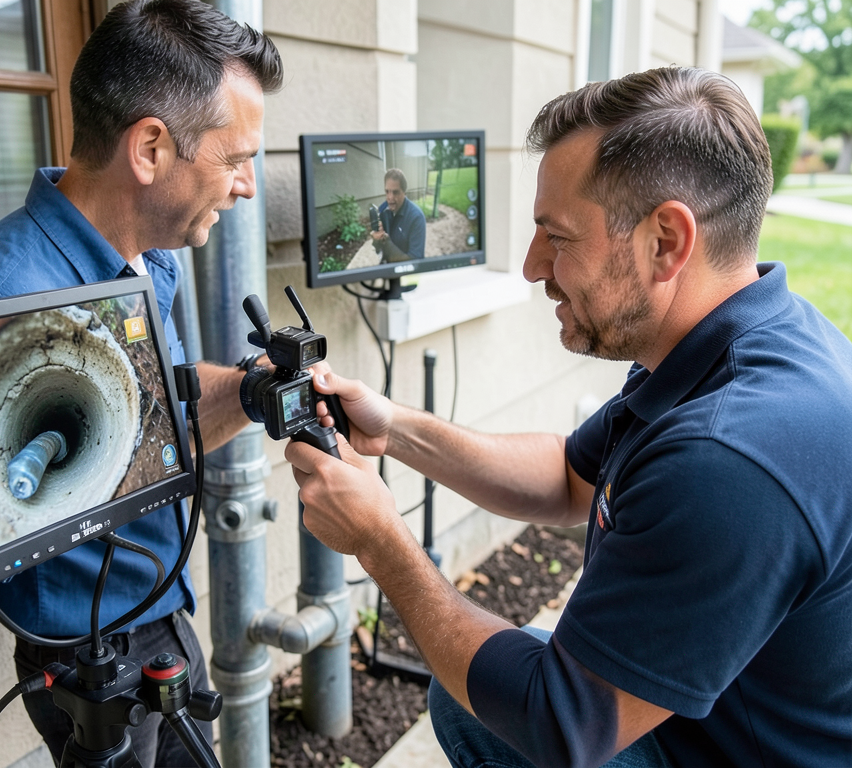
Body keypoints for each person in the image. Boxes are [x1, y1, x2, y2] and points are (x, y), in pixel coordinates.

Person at [286, 67, 852, 768]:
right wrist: (395, 428)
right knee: (470, 702)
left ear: (665, 242)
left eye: (556, 236)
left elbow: (562, 724)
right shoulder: (722, 339)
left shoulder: (730, 455)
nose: (530, 267)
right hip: (704, 709)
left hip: (737, 752)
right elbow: (568, 476)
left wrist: (378, 538)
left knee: (492, 704)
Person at [0, 2, 283, 766]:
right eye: (235, 160)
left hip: (164, 616)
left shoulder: (150, 263)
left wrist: (258, 391)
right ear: (151, 147)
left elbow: (161, 422)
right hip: (89, 666)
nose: (246, 187)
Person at [370, 168, 426, 261]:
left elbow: (415, 262)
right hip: (387, 270)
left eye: (395, 192)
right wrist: (376, 240)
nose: (390, 197)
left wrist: (387, 242)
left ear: (404, 192)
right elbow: (378, 250)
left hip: (407, 274)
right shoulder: (382, 210)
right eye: (387, 191)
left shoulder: (417, 217)